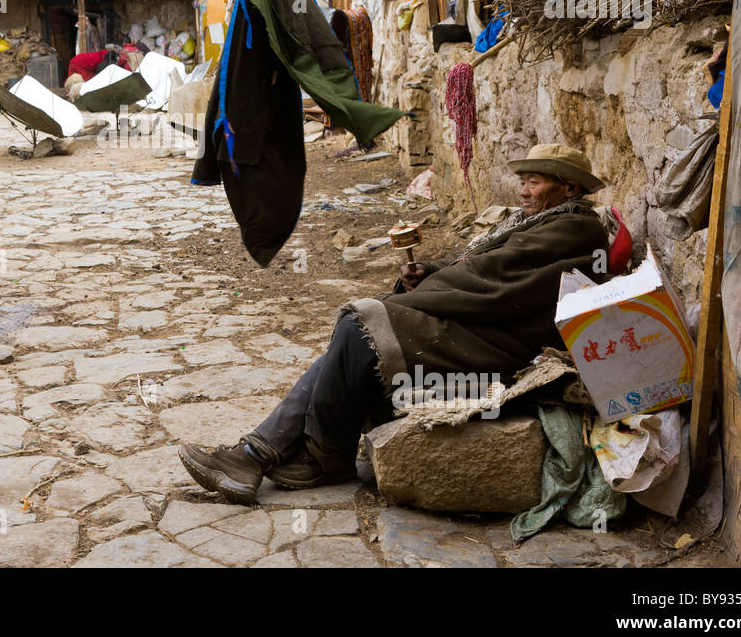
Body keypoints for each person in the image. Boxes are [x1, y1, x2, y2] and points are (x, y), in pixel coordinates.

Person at [178, 143, 610, 504]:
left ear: (568, 187)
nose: (523, 189)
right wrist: (429, 271)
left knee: (360, 324)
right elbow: (480, 265)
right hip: (483, 322)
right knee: (357, 331)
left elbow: (498, 277)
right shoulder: (541, 221)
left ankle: (320, 455)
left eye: (535, 181)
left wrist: (432, 285)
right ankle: (256, 453)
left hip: (501, 341)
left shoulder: (576, 227)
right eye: (524, 179)